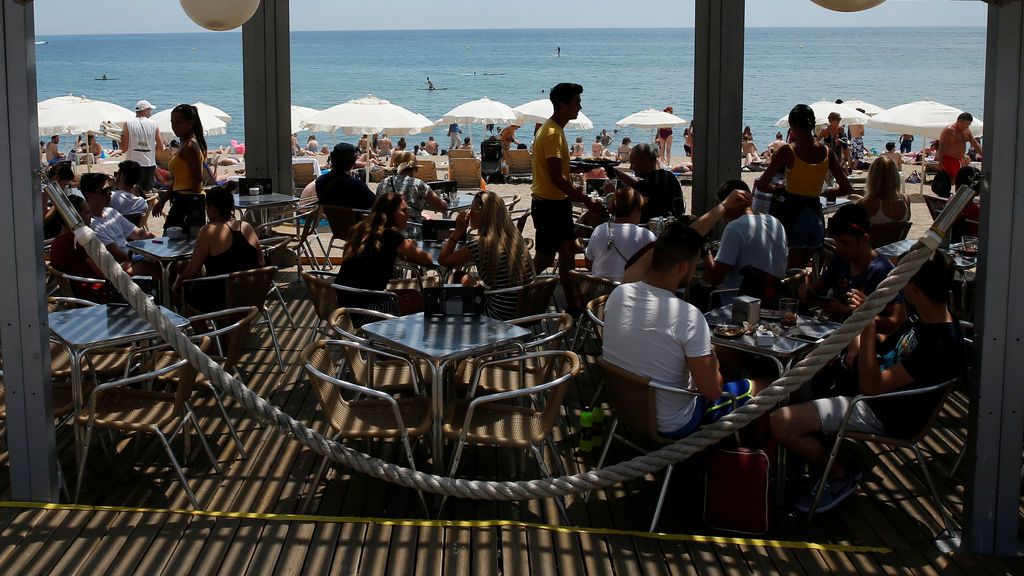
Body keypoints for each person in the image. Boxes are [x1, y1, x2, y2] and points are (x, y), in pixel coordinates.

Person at [770, 252, 964, 512]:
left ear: (915, 288)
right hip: (870, 391)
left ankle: (840, 473)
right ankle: (800, 463)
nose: (896, 287)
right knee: (789, 382)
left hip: (883, 410)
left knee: (780, 422)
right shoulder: (931, 317)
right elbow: (890, 351)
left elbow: (871, 387)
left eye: (900, 281)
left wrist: (867, 323)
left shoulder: (938, 345)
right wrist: (858, 343)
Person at [603, 222, 769, 438]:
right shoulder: (689, 316)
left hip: (626, 410)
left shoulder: (618, 295)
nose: (695, 274)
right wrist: (714, 365)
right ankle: (746, 453)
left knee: (726, 354)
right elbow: (712, 391)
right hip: (674, 422)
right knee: (767, 384)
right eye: (695, 267)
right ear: (683, 267)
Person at [530, 82, 604, 316]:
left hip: (549, 202)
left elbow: (557, 169)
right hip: (551, 204)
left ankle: (573, 303)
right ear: (562, 105)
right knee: (545, 258)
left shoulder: (552, 129)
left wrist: (581, 169)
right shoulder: (552, 133)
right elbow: (556, 177)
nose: (579, 107)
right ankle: (514, 287)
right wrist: (586, 200)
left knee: (566, 254)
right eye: (576, 102)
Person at [755, 104, 853, 267]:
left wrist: (778, 189)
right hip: (815, 216)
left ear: (792, 127)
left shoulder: (788, 151)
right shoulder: (826, 152)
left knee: (791, 269)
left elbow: (762, 184)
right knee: (811, 265)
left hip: (792, 215)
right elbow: (846, 189)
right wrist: (822, 192)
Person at [799, 204, 906, 333]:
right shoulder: (840, 260)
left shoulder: (882, 271)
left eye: (845, 242)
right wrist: (807, 290)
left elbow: (896, 323)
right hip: (834, 334)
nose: (839, 248)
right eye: (836, 242)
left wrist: (847, 312)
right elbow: (818, 288)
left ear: (864, 239)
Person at [438, 190, 535, 320]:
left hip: (498, 315)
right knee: (466, 279)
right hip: (526, 311)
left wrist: (458, 231)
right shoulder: (513, 237)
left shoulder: (481, 243)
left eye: (470, 209)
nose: (468, 213)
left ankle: (452, 327)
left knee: (455, 277)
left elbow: (443, 260)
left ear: (482, 214)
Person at [335, 192, 435, 313]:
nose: (407, 216)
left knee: (413, 293)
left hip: (344, 300)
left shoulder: (361, 230)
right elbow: (427, 259)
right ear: (390, 214)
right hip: (365, 309)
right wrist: (410, 246)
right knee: (430, 301)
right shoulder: (391, 236)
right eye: (403, 211)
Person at [173, 186, 263, 312]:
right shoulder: (247, 227)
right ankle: (227, 330)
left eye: (207, 208)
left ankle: (208, 331)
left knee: (184, 293)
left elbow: (192, 271)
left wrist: (179, 280)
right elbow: (261, 262)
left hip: (222, 301)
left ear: (213, 210)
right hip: (252, 296)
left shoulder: (208, 231)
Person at [701, 180, 788, 293]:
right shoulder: (775, 222)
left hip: (737, 300)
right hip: (772, 295)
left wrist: (704, 248)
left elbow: (716, 278)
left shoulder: (735, 227)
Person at [80, 173, 156, 274]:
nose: (109, 193)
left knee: (171, 263)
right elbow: (116, 254)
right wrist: (147, 257)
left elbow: (138, 233)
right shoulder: (92, 224)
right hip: (122, 269)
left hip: (130, 259)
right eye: (104, 191)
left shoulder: (111, 211)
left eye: (110, 189)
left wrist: (160, 242)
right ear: (89, 195)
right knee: (157, 265)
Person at [153, 104, 208, 233]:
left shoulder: (189, 146)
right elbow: (178, 180)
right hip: (180, 199)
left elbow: (197, 180)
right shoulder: (185, 144)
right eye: (172, 123)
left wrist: (193, 209)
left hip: (187, 201)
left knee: (173, 241)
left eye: (178, 123)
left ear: (190, 122)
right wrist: (163, 201)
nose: (174, 126)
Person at [49, 195, 113, 300]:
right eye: (87, 212)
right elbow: (105, 273)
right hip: (97, 295)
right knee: (143, 267)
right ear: (74, 216)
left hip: (80, 294)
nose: (91, 216)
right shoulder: (79, 240)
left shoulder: (57, 241)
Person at [584, 188, 656, 282]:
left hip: (597, 291)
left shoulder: (599, 230)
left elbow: (588, 263)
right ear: (635, 210)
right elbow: (658, 268)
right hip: (628, 293)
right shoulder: (645, 235)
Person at [609, 143, 685, 222]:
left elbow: (625, 210)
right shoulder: (665, 176)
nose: (631, 167)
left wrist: (611, 194)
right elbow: (637, 185)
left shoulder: (655, 182)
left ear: (645, 162)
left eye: (633, 163)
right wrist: (616, 172)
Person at [376, 151, 447, 223]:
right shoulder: (418, 184)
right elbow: (442, 207)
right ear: (414, 169)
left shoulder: (383, 183)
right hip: (411, 229)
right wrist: (444, 199)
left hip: (385, 228)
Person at [121, 100, 164, 192]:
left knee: (131, 192)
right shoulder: (154, 124)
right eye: (149, 110)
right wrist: (151, 152)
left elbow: (124, 149)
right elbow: (160, 146)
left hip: (133, 165)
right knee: (146, 193)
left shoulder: (127, 123)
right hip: (149, 164)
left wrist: (121, 140)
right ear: (145, 110)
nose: (150, 112)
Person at [316, 143, 375, 210]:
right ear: (353, 163)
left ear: (331, 159)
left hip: (331, 219)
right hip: (356, 219)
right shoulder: (357, 185)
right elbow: (375, 203)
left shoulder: (320, 181)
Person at [854, 156, 909, 225]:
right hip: (896, 236)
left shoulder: (864, 204)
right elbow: (908, 218)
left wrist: (860, 200)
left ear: (872, 177)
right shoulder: (905, 199)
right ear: (896, 176)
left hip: (874, 236)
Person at [937, 112, 983, 184]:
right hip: (948, 159)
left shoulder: (967, 131)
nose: (967, 126)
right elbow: (941, 146)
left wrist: (983, 155)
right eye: (966, 124)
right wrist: (940, 162)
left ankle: (953, 194)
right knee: (948, 181)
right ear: (959, 121)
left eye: (969, 124)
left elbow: (975, 144)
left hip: (959, 160)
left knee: (957, 180)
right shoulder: (949, 130)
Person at [109, 160, 149, 225]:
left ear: (121, 176)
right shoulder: (142, 203)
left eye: (116, 174)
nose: (115, 177)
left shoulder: (110, 197)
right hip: (132, 233)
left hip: (112, 233)